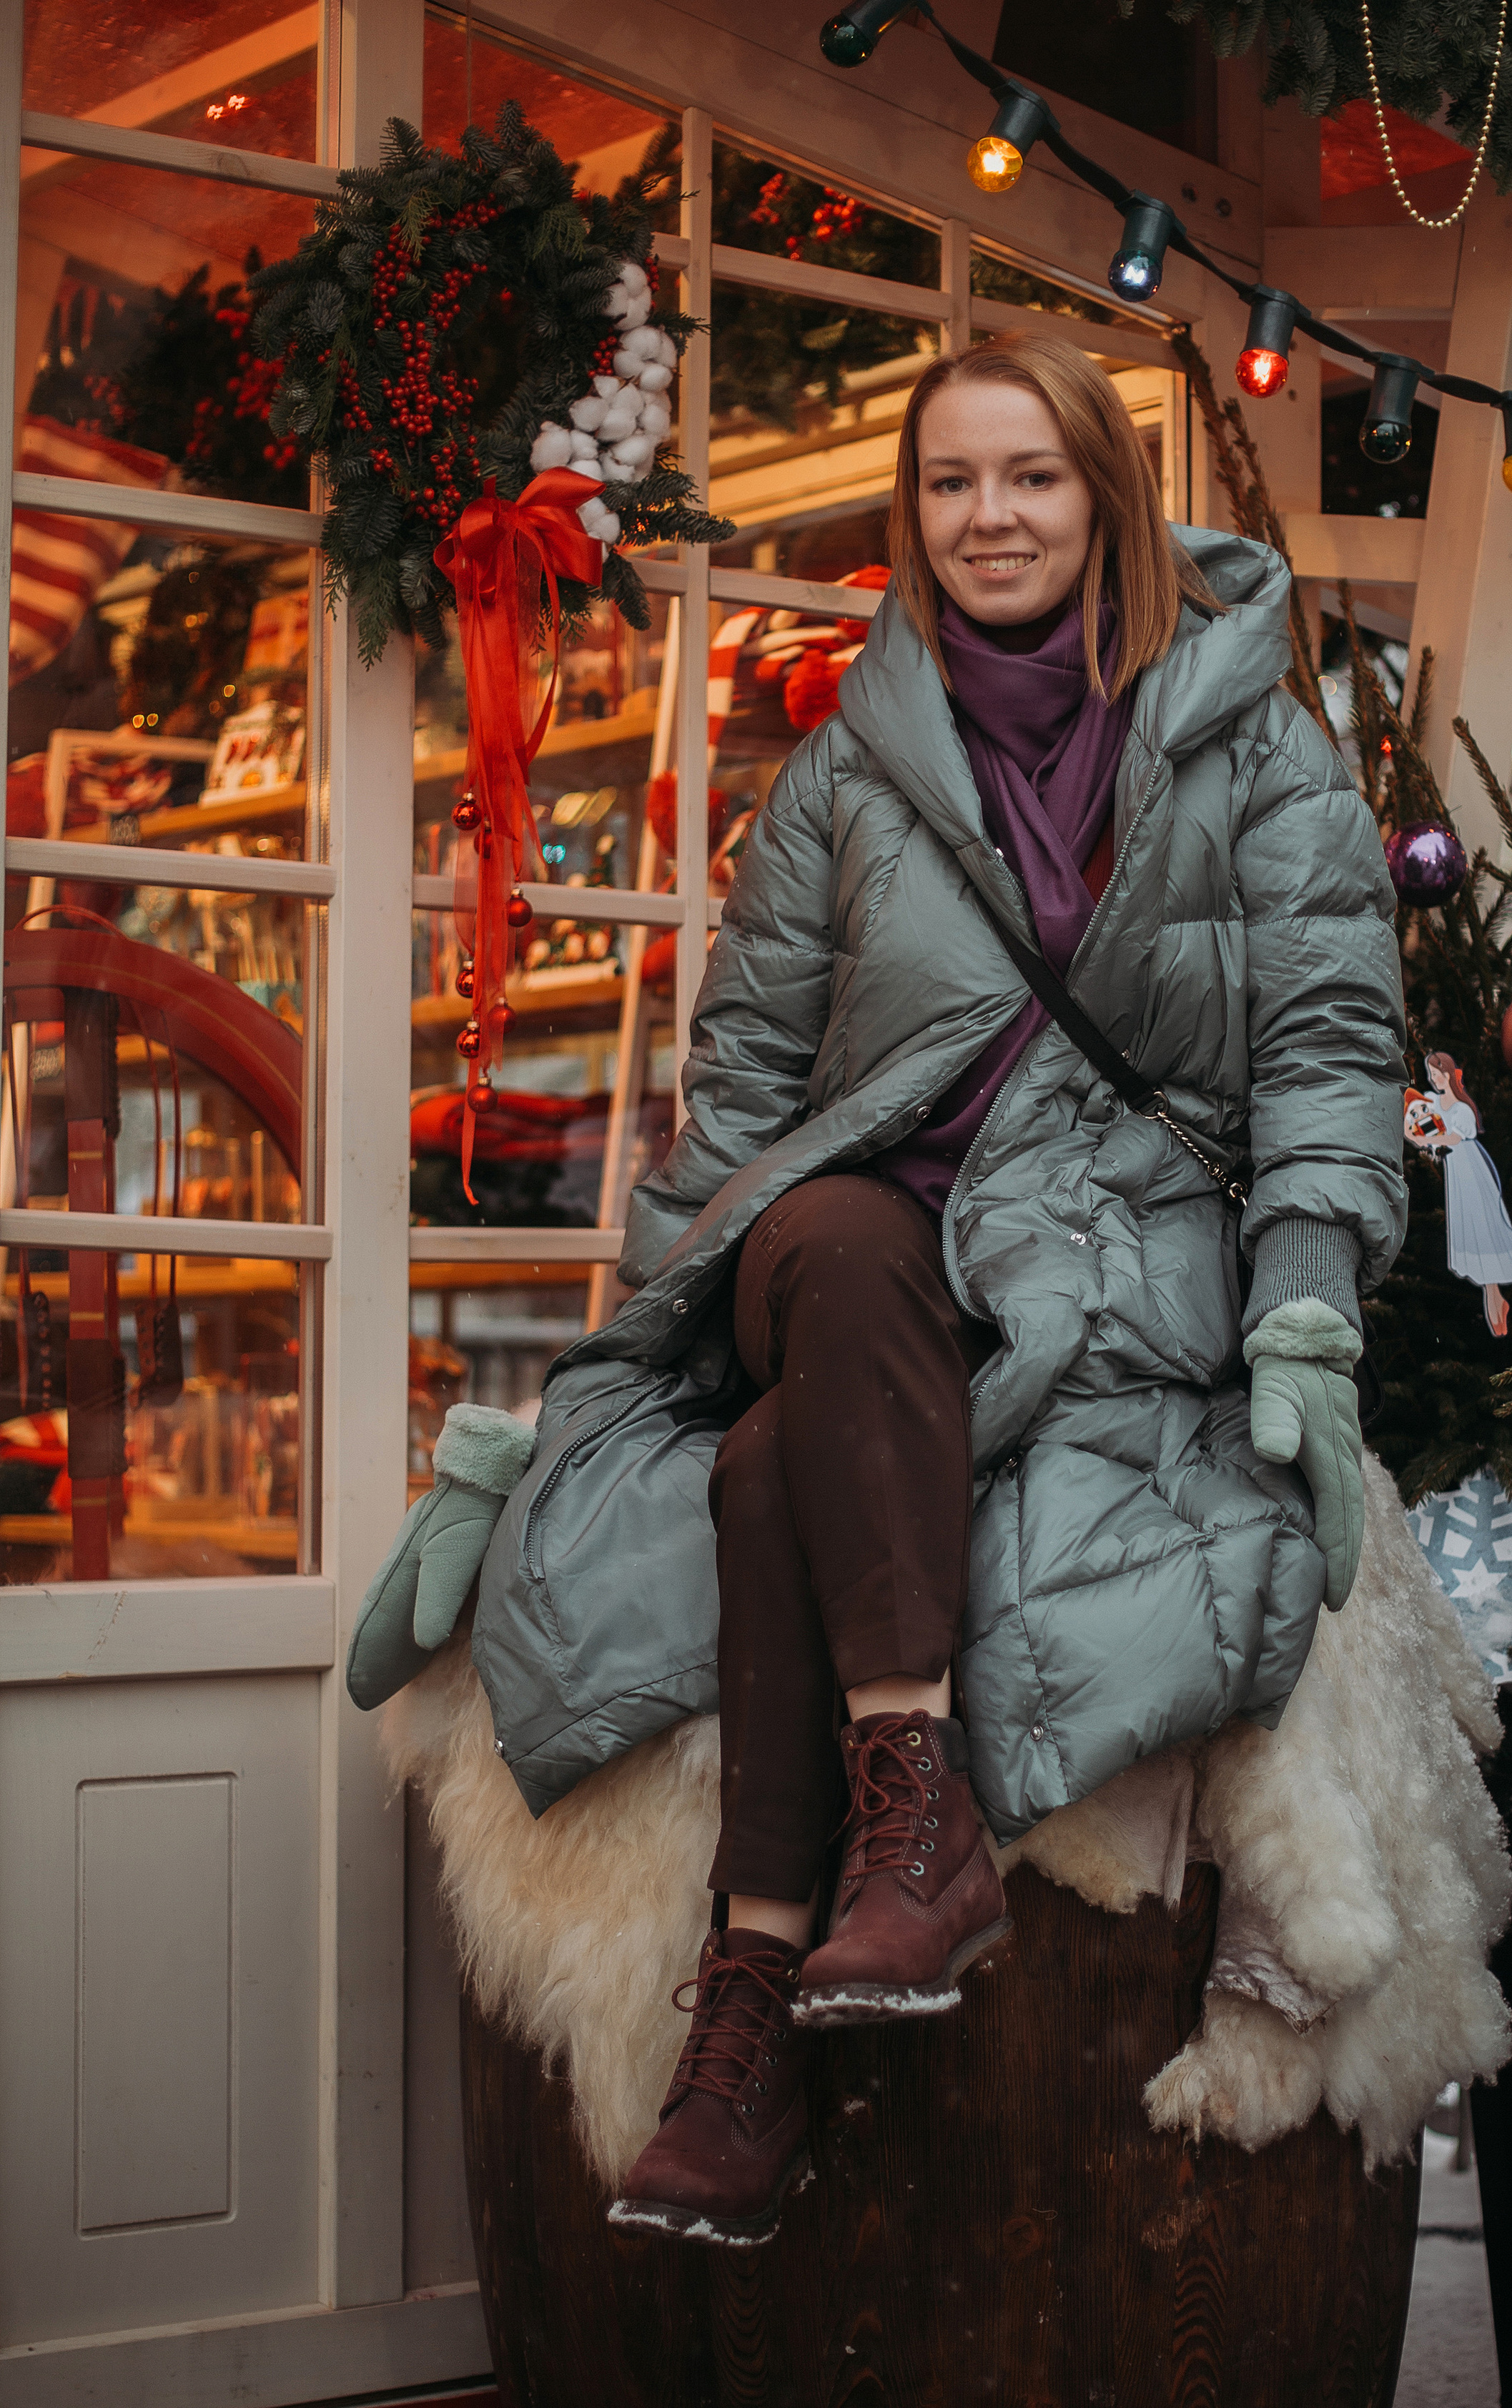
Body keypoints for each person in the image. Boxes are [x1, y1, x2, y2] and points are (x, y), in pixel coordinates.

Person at [500, 335, 1405, 2246]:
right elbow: (745, 1090)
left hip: (1105, 1250)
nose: (990, 517)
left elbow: (1329, 1039)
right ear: (912, 518)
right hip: (852, 1248)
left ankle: (746, 2016)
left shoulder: (1257, 751)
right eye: (951, 483)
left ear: (1105, 499)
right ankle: (914, 1806)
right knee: (822, 1238)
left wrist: (1308, 1300)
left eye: (1032, 478)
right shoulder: (843, 775)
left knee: (766, 1478)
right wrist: (606, 1369)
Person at [1420, 1049, 1512, 1338]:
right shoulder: (1433, 1102)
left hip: (1469, 1168)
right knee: (1470, 1227)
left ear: (1448, 1074)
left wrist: (1427, 1137)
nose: (1434, 1081)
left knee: (1482, 1223)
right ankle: (1496, 1304)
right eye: (1431, 1076)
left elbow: (1455, 1137)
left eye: (1437, 1075)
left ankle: (1496, 1306)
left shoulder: (1462, 1109)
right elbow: (1424, 1126)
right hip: (1454, 1172)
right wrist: (1421, 1137)